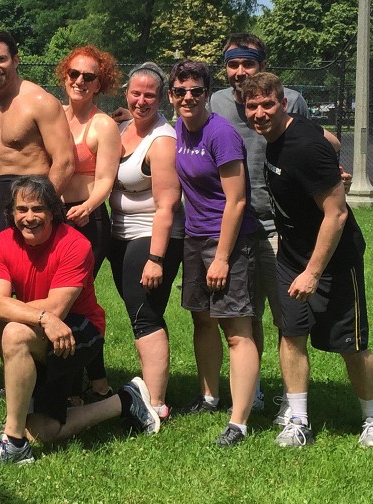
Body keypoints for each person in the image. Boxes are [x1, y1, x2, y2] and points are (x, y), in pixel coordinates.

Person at [0, 176, 159, 466]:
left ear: (52, 212)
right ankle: (124, 401)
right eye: (21, 209)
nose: (29, 217)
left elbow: (57, 306)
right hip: (42, 330)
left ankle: (14, 442)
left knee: (12, 329)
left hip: (82, 330)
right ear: (11, 213)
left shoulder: (74, 244)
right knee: (45, 431)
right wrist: (35, 316)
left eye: (37, 209)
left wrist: (13, 312)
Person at [209, 33, 344, 418]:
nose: (240, 71)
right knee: (244, 316)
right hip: (235, 227)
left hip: (278, 227)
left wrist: (331, 171)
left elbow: (320, 142)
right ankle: (252, 392)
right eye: (233, 64)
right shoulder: (216, 102)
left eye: (248, 63)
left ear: (263, 66)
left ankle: (291, 398)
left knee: (287, 317)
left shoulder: (292, 100)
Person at [242, 72, 373, 448]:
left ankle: (371, 418)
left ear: (283, 104)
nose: (260, 113)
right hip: (291, 257)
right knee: (291, 334)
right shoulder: (283, 135)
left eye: (268, 105)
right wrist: (332, 165)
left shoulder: (304, 147)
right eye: (253, 106)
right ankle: (298, 421)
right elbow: (332, 140)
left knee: (351, 345)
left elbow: (337, 215)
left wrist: (313, 273)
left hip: (333, 262)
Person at [170, 61, 259, 446]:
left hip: (228, 241)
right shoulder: (176, 128)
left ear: (207, 94)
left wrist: (222, 257)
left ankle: (239, 422)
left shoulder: (221, 134)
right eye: (180, 91)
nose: (188, 97)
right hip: (193, 237)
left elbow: (237, 201)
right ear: (172, 95)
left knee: (236, 330)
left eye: (196, 91)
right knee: (202, 321)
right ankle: (209, 397)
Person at [0, 30, 75, 294]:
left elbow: (64, 162)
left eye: (1, 59)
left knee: (38, 290)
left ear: (16, 60)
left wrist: (43, 208)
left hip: (34, 198)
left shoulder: (40, 102)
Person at [108, 63, 184, 422]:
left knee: (144, 315)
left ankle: (156, 404)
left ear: (162, 97)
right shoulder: (121, 128)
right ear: (126, 93)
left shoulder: (163, 140)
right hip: (119, 234)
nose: (141, 101)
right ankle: (152, 389)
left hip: (151, 235)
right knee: (140, 310)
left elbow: (168, 205)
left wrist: (156, 258)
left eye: (149, 95)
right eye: (135, 93)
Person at [56, 45, 121, 405]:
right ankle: (89, 382)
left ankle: (85, 385)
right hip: (54, 220)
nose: (80, 81)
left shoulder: (103, 125)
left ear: (100, 83)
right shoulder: (54, 115)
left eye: (89, 76)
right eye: (74, 73)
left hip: (88, 221)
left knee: (77, 300)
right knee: (61, 300)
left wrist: (88, 206)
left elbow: (106, 179)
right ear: (64, 76)